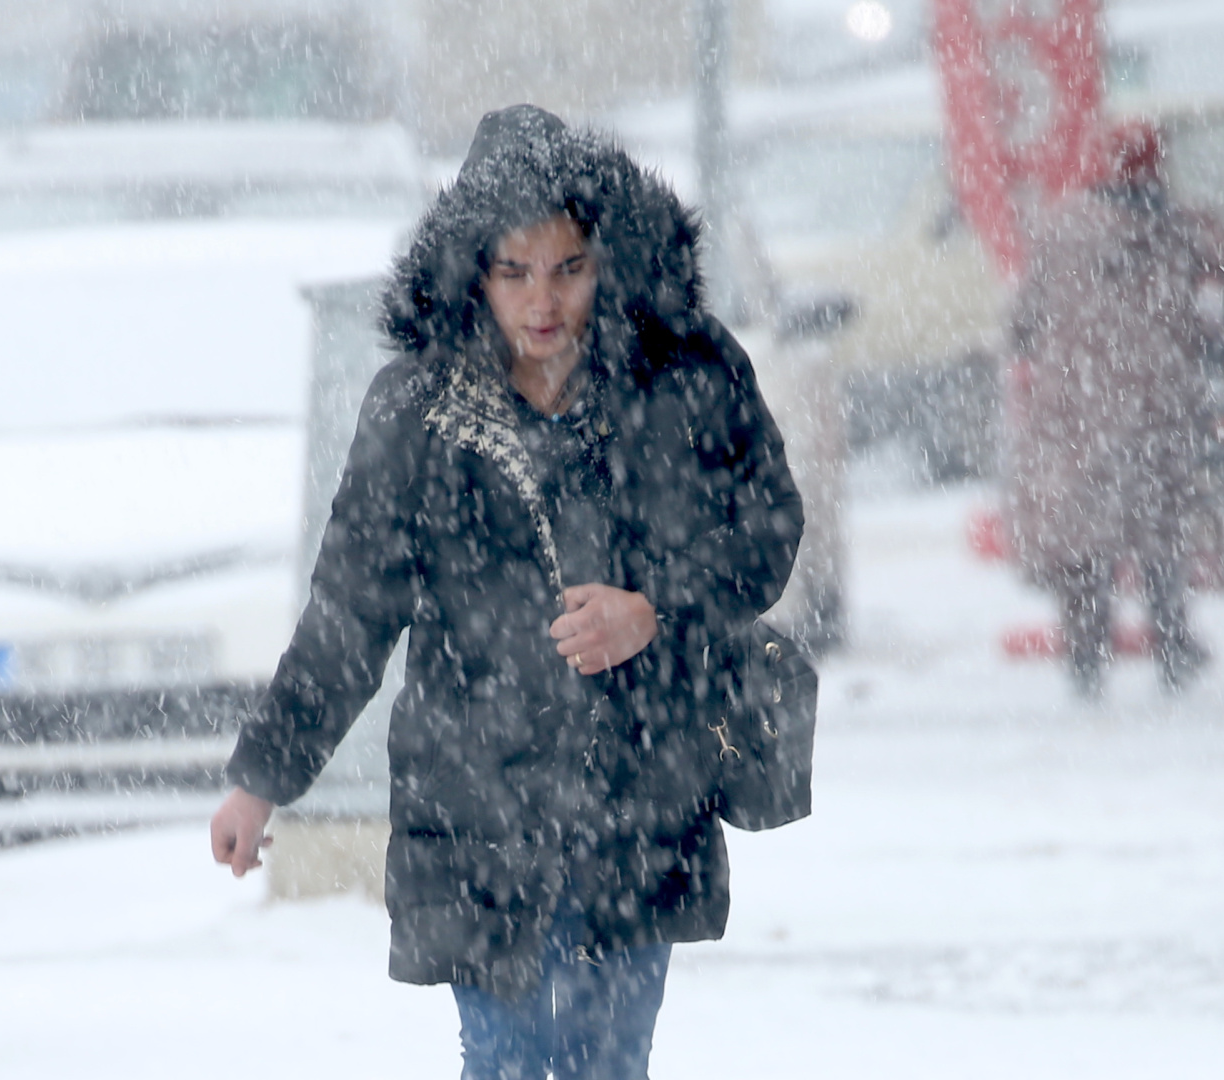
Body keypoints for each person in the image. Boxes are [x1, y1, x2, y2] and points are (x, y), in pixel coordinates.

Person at [209, 104, 803, 1079]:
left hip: (638, 797)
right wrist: (263, 776)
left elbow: (768, 529)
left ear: (607, 259)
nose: (544, 300)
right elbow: (352, 613)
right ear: (472, 272)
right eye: (514, 270)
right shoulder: (417, 410)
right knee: (504, 1063)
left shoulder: (685, 380)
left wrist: (652, 607)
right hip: (474, 807)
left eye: (568, 266)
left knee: (607, 1063)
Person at [1006, 121, 1224, 699]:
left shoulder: (1063, 225)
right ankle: (1171, 645)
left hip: (1074, 412)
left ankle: (1086, 657)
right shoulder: (1182, 226)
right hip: (1158, 404)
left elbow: (1021, 323)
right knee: (1160, 533)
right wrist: (1206, 327)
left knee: (1085, 541)